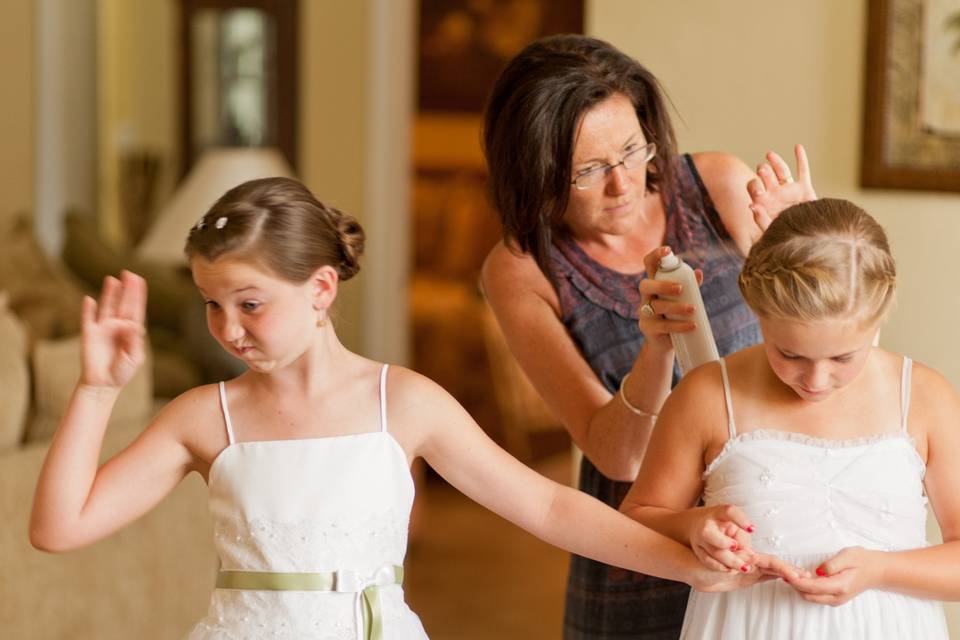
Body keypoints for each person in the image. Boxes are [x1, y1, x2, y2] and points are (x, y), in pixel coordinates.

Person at [28, 177, 793, 639]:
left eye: (251, 303)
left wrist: (688, 568)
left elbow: (551, 510)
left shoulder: (406, 402)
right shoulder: (203, 416)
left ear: (321, 289)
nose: (228, 328)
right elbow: (60, 528)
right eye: (211, 305)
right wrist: (97, 389)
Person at [480, 33, 816, 638]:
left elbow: (821, 358)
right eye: (588, 171)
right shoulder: (523, 270)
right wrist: (655, 351)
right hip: (639, 544)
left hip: (764, 515)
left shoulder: (717, 186)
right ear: (533, 170)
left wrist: (811, 248)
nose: (624, 184)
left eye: (633, 151)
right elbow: (616, 454)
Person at [620, 198, 958, 639]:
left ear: (880, 315)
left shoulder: (925, 398)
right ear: (757, 313)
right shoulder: (706, 395)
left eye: (842, 356)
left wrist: (878, 570)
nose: (816, 380)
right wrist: (692, 525)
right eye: (790, 353)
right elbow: (633, 522)